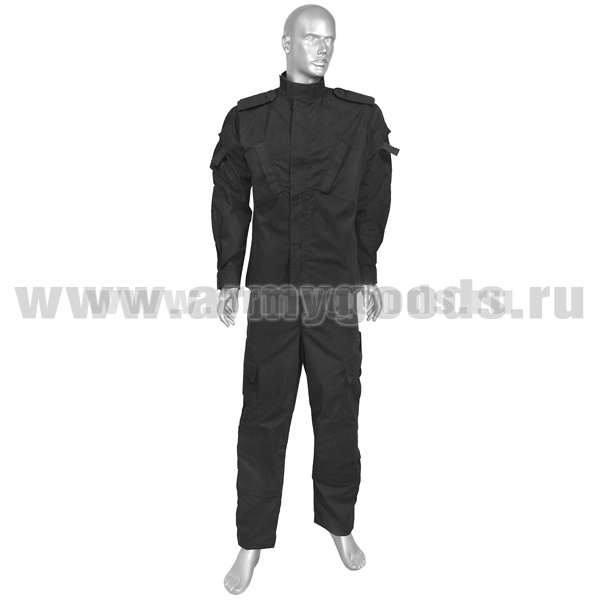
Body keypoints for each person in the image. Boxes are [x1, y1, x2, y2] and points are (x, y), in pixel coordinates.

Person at [209, 5, 398, 594]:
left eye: (330, 39)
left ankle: (339, 524)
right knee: (263, 417)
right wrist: (228, 278)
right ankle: (251, 542)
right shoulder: (249, 119)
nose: (323, 48)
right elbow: (230, 199)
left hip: (334, 293)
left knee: (338, 411)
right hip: (270, 294)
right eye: (311, 37)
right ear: (285, 42)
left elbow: (375, 195)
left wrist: (366, 272)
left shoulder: (360, 118)